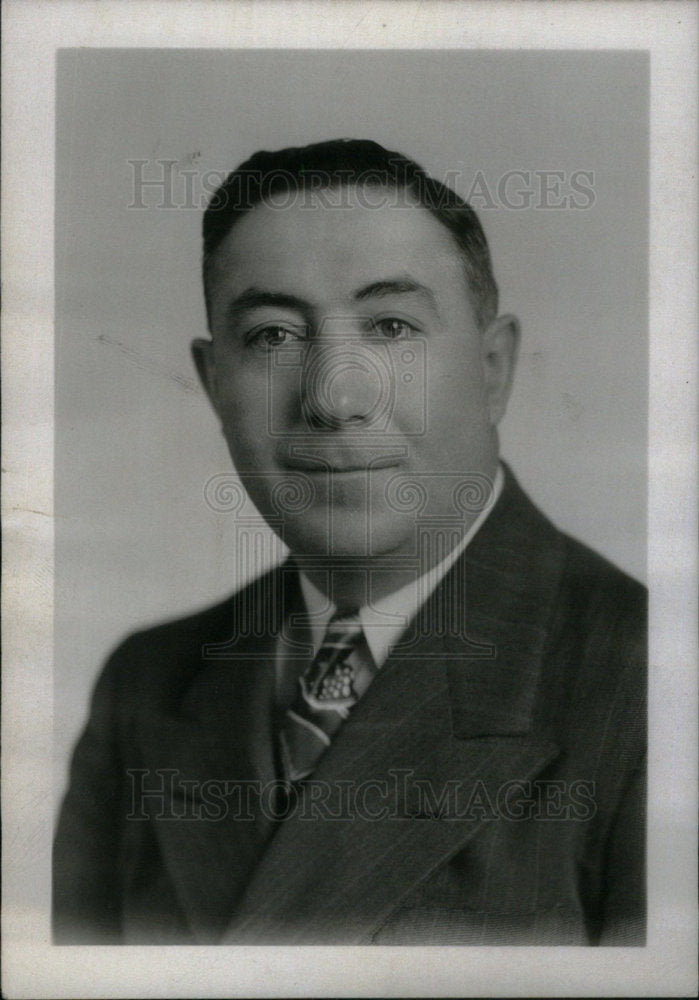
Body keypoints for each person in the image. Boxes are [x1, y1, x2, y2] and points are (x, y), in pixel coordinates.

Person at [53, 139, 646, 946]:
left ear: (493, 367)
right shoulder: (147, 686)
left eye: (391, 325)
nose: (333, 397)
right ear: (213, 382)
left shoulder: (652, 682)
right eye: (271, 336)